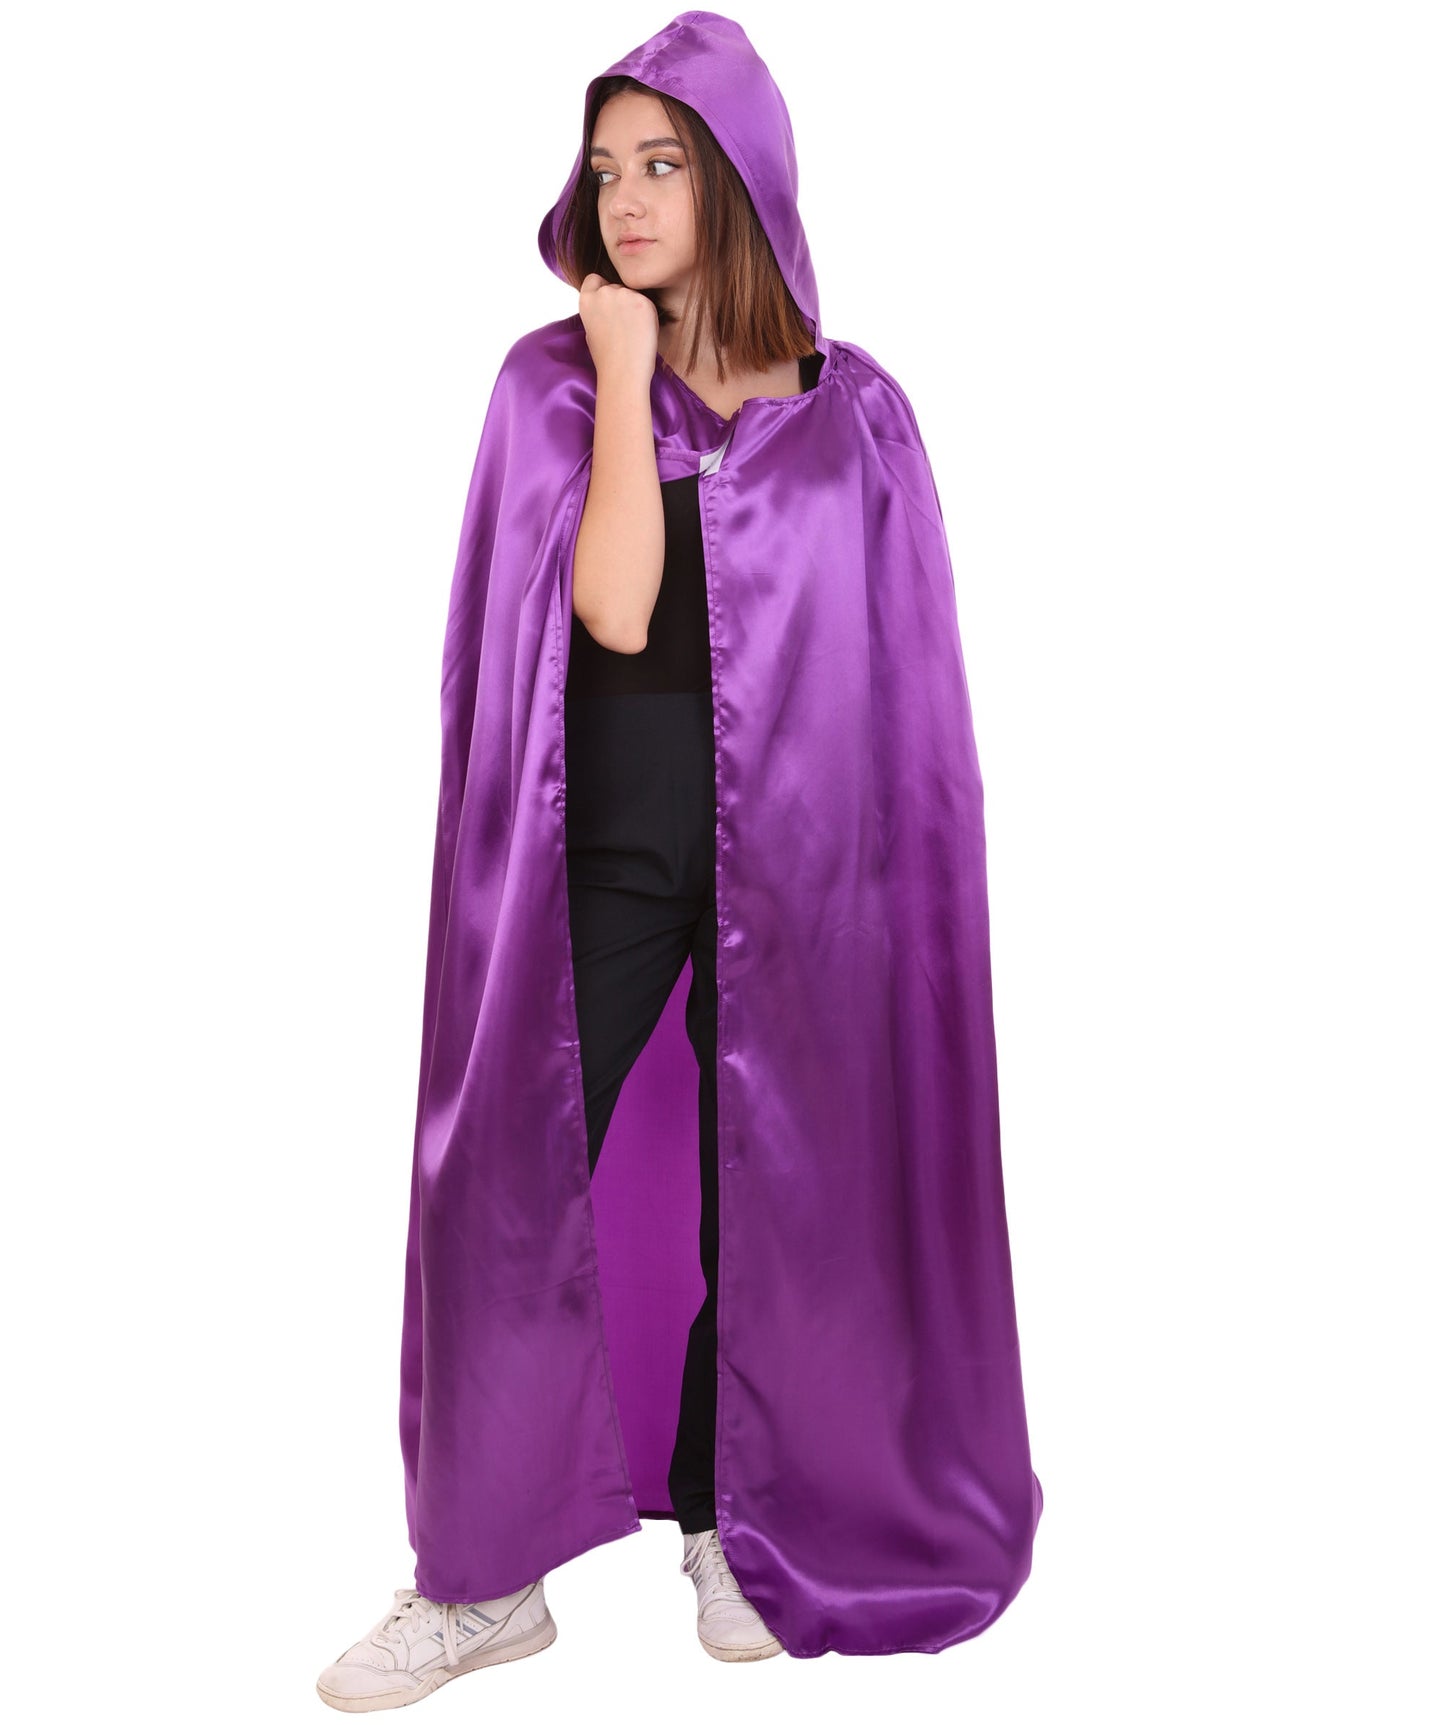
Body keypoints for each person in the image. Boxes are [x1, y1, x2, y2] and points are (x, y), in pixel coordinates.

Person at [318, 12, 1042, 1710]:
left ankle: (737, 1516)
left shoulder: (854, 411)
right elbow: (616, 608)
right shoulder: (549, 384)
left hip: (806, 869)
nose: (628, 199)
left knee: (776, 1192)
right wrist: (625, 367)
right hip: (603, 849)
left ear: (740, 182)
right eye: (605, 169)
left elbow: (900, 687)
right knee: (500, 1177)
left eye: (663, 165)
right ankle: (478, 1574)